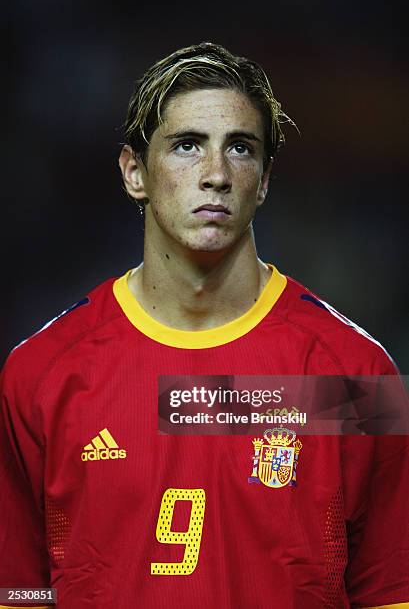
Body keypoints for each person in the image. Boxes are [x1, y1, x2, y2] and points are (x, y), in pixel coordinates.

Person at [0, 42, 408, 609]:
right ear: (134, 173)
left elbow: (389, 592)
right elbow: (18, 593)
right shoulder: (39, 375)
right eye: (187, 145)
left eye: (240, 149)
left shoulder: (357, 375)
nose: (215, 174)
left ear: (263, 182)